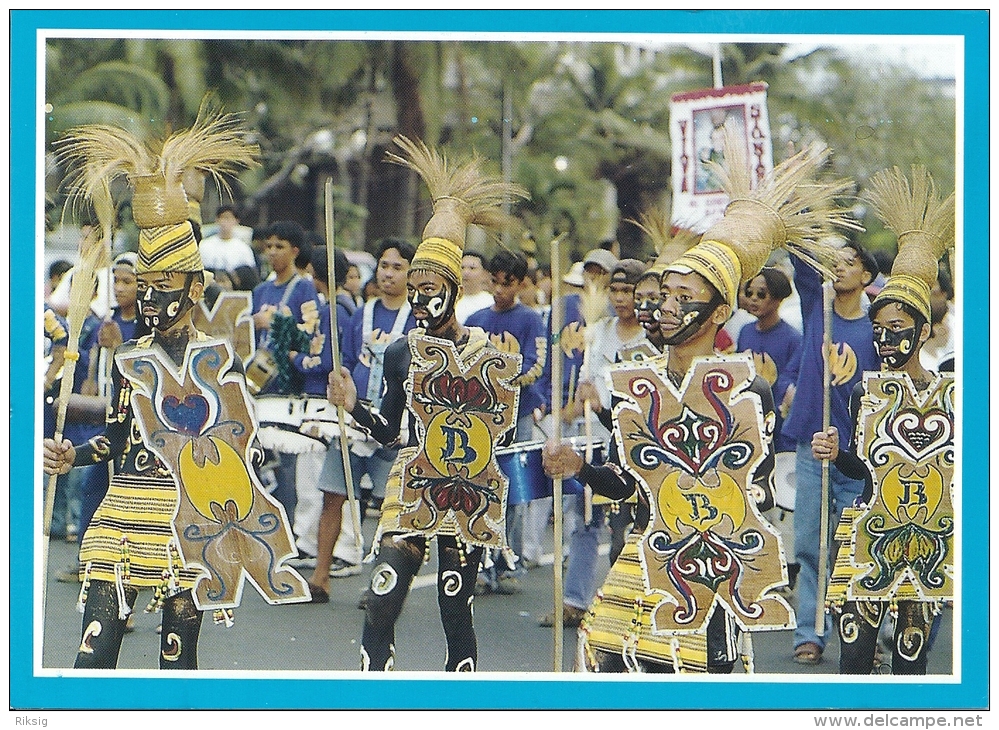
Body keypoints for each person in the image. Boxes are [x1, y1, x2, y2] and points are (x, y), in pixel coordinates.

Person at [543, 135, 852, 673]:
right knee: (605, 675)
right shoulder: (634, 381)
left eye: (685, 299)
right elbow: (628, 480)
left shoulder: (746, 388)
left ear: (717, 314)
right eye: (665, 295)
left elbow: (752, 499)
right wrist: (582, 469)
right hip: (641, 557)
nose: (665, 308)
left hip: (711, 576)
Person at [44, 113, 306, 669]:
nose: (151, 298)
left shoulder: (218, 360)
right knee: (93, 655)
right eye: (144, 286)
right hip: (120, 515)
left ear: (193, 287)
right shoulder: (128, 357)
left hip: (188, 522)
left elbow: (240, 444)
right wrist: (72, 455)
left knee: (175, 663)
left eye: (164, 286)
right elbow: (115, 443)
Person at [327, 135, 528, 671]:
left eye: (429, 286)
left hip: (466, 488)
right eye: (412, 288)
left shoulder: (486, 349)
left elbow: (501, 435)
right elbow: (391, 433)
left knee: (454, 607)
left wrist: (511, 385)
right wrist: (351, 406)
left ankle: (459, 700)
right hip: (411, 481)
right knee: (383, 597)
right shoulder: (399, 353)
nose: (419, 298)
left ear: (453, 289)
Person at [814, 165, 955, 675]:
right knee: (853, 658)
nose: (885, 341)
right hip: (868, 534)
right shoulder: (866, 395)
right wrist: (838, 453)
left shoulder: (954, 394)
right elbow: (862, 471)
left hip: (930, 539)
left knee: (911, 665)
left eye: (897, 329)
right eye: (878, 330)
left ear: (922, 333)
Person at [782, 236, 881, 666]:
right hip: (813, 447)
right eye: (834, 261)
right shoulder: (815, 307)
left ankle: (861, 636)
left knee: (856, 547)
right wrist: (805, 222)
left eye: (850, 261)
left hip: (856, 456)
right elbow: (802, 264)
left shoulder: (877, 327)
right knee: (809, 543)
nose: (840, 266)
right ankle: (811, 632)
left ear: (867, 275)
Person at [307, 237, 418, 602]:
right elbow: (349, 359)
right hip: (354, 418)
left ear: (410, 274)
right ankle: (320, 576)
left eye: (397, 267)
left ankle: (384, 583)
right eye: (384, 266)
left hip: (395, 422)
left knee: (392, 508)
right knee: (333, 496)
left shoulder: (417, 318)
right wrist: (339, 382)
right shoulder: (361, 313)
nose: (388, 273)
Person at [466, 248, 547, 594]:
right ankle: (480, 565)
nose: (500, 290)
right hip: (481, 419)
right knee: (481, 489)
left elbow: (537, 365)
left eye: (507, 284)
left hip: (519, 414)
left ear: (521, 284)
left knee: (514, 490)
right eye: (495, 283)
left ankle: (506, 562)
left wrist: (501, 379)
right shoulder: (476, 320)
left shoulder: (530, 320)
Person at [250, 220, 321, 530]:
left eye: (280, 247)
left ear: (294, 251)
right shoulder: (260, 290)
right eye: (269, 246)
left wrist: (276, 323)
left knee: (288, 459)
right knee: (262, 455)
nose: (273, 253)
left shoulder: (303, 287)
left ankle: (290, 528)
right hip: (259, 381)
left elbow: (311, 331)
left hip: (290, 384)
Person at [736, 266, 803, 589]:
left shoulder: (792, 338)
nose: (753, 299)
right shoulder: (745, 332)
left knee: (781, 506)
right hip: (748, 429)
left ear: (777, 299)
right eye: (749, 293)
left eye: (761, 294)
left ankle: (784, 574)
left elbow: (789, 382)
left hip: (780, 434)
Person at [198, 204, 257, 274]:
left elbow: (250, 273)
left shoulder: (244, 249)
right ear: (217, 220)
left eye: (228, 218)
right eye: (222, 218)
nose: (225, 222)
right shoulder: (204, 245)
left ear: (236, 221)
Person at [454, 250, 494, 324]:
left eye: (472, 268)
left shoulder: (491, 303)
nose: (466, 272)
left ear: (485, 274)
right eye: (462, 268)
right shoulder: (451, 300)